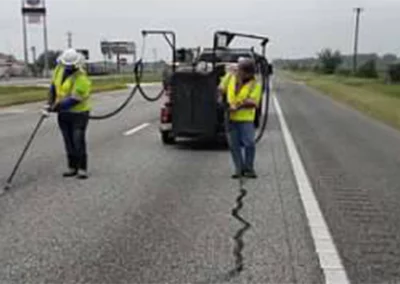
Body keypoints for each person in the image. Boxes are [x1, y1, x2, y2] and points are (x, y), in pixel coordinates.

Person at [42, 48, 92, 179]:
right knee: (68, 140)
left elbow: (74, 100)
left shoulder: (81, 77)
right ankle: (72, 167)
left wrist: (54, 107)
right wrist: (49, 103)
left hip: (79, 114)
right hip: (64, 115)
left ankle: (82, 168)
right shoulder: (59, 69)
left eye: (71, 66)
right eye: (66, 65)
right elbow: (53, 87)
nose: (68, 68)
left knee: (78, 140)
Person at [218, 58, 262, 179]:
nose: (238, 72)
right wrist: (222, 98)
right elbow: (221, 88)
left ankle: (249, 168)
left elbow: (253, 103)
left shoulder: (255, 85)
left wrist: (237, 106)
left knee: (249, 143)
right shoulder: (230, 77)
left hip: (245, 119)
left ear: (248, 73)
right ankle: (239, 169)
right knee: (234, 145)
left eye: (241, 71)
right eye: (238, 70)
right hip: (230, 118)